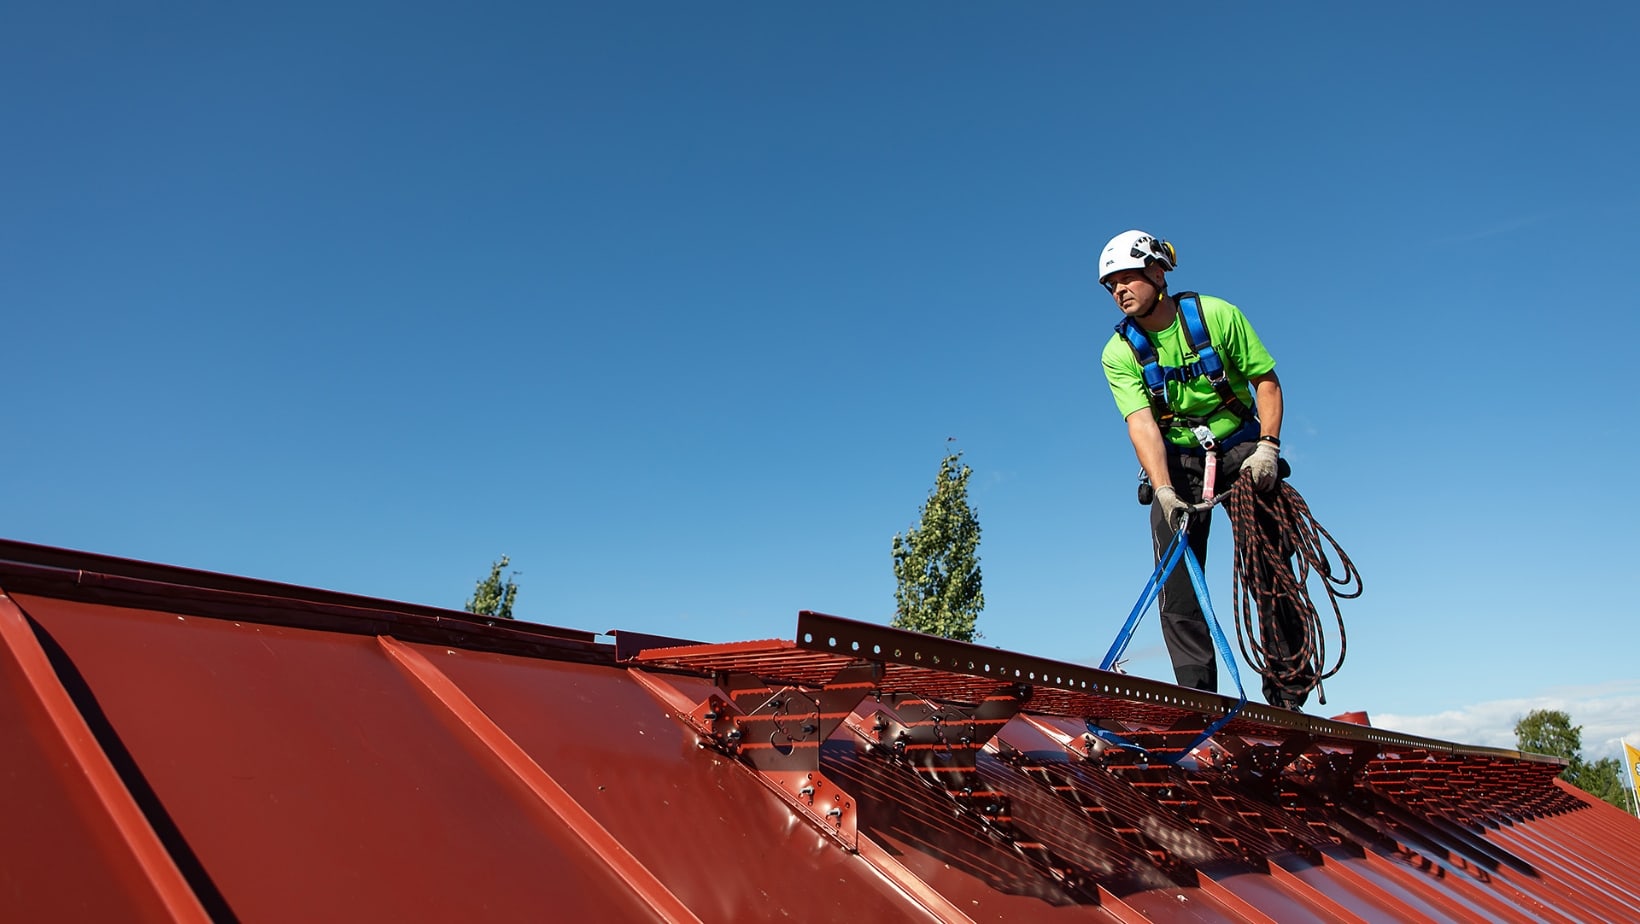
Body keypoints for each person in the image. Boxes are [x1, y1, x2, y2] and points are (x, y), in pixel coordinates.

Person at [1096, 229, 1312, 710]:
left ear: (1158, 272)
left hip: (1241, 446)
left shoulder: (1217, 315)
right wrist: (1164, 490)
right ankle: (1198, 702)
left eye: (1127, 279)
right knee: (1178, 590)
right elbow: (1142, 425)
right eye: (1110, 286)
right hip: (1176, 462)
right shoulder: (1119, 352)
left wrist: (1269, 449)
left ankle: (1286, 697)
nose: (1119, 292)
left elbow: (1266, 382)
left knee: (1270, 568)